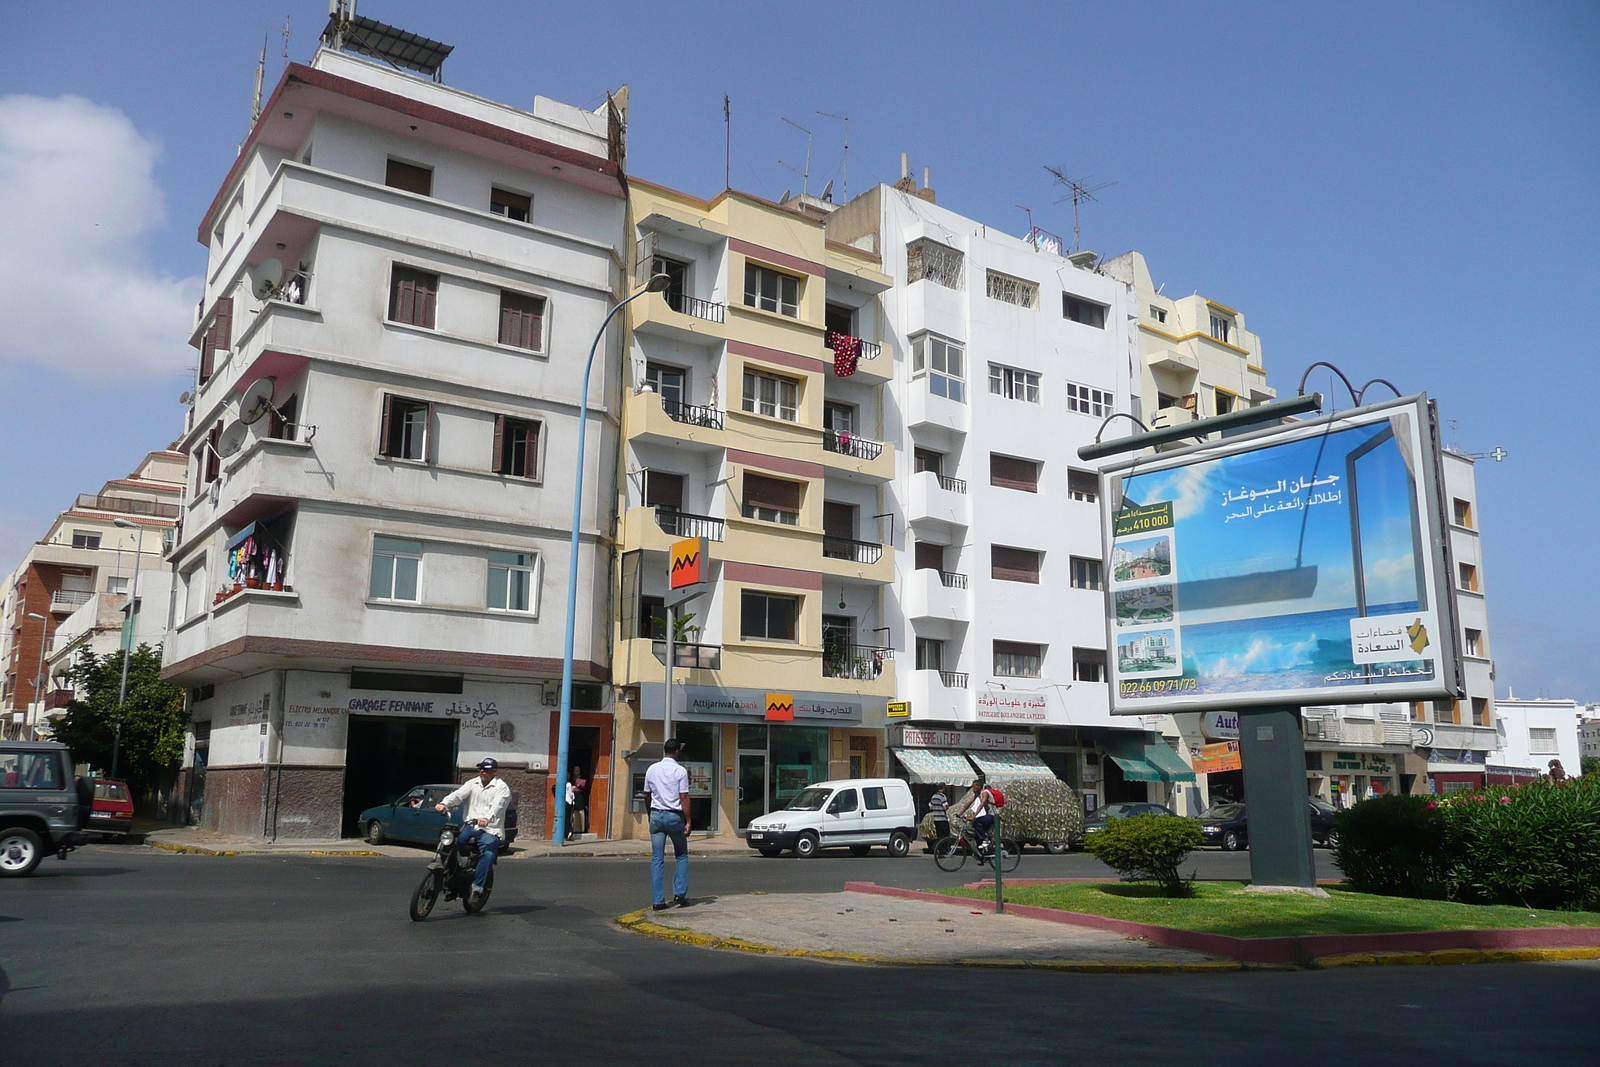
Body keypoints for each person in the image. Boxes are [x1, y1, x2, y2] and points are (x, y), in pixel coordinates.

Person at [435, 758, 512, 902]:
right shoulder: (473, 783)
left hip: (490, 829)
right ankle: (452, 875)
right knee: (448, 844)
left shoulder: (502, 788)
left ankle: (477, 889)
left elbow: (498, 805)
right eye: (480, 769)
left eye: (486, 769)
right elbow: (458, 795)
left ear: (494, 772)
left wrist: (487, 818)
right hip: (471, 825)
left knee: (488, 855)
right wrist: (444, 803)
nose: (482, 771)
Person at [644, 738, 692, 911]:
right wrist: (688, 821)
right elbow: (684, 797)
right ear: (677, 751)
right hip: (674, 816)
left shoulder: (652, 769)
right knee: (681, 854)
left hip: (656, 814)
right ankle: (680, 893)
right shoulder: (680, 771)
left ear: (665, 750)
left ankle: (658, 901)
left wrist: (651, 815)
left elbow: (647, 795)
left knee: (657, 858)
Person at [959, 776, 996, 850]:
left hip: (992, 816)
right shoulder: (977, 795)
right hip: (987, 816)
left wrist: (974, 816)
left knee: (975, 821)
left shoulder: (985, 793)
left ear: (979, 787)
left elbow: (981, 804)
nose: (972, 788)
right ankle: (981, 855)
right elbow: (969, 803)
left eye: (974, 786)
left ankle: (985, 839)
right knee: (976, 835)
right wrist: (960, 813)